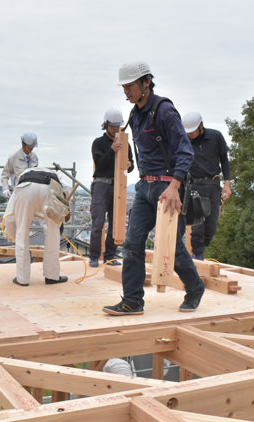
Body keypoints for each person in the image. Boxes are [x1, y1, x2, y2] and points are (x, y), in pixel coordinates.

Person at [103, 61, 205, 316]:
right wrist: (129, 164)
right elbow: (143, 150)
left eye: (130, 87)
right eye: (124, 88)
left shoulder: (164, 110)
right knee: (131, 244)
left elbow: (185, 151)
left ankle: (195, 287)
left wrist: (175, 186)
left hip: (167, 186)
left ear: (146, 82)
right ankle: (133, 301)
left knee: (171, 246)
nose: (126, 92)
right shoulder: (135, 115)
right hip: (145, 187)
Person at [3, 167, 68, 286]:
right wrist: (61, 217)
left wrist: (13, 237)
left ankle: (22, 279)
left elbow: (10, 219)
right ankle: (52, 277)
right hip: (50, 188)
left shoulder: (22, 177)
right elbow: (66, 192)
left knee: (22, 232)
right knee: (53, 234)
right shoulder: (57, 175)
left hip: (26, 189)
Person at [182, 112, 231, 260]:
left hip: (214, 184)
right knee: (198, 225)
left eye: (192, 131)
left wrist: (227, 184)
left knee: (211, 226)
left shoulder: (215, 136)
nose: (190, 134)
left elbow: (224, 160)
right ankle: (197, 255)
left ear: (201, 126)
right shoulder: (185, 141)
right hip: (195, 185)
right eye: (188, 132)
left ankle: (201, 252)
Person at [89, 108, 134, 268]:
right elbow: (99, 166)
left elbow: (131, 164)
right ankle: (94, 256)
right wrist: (112, 151)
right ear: (106, 124)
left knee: (116, 222)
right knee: (98, 221)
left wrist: (129, 165)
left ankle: (110, 256)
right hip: (101, 183)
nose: (116, 129)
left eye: (118, 126)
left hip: (118, 184)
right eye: (113, 126)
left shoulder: (125, 142)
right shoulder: (98, 143)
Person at [1, 132, 39, 198]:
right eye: (30, 146)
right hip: (18, 193)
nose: (31, 148)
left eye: (32, 146)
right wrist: (5, 189)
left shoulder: (35, 157)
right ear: (23, 144)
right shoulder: (13, 157)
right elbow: (5, 175)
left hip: (31, 193)